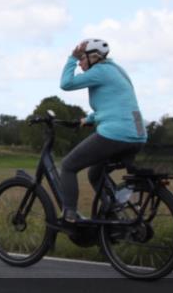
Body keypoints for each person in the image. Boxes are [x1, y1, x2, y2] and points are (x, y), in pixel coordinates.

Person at [58, 39, 146, 223]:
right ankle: (112, 211)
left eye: (83, 58)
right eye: (79, 58)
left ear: (94, 57)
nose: (81, 62)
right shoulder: (117, 70)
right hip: (138, 134)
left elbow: (66, 84)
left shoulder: (99, 71)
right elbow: (119, 103)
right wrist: (89, 119)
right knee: (95, 173)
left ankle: (70, 215)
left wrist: (72, 58)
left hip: (116, 134)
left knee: (67, 166)